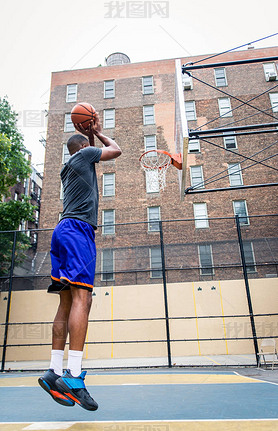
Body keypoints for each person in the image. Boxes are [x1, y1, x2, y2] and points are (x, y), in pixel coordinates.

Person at [38, 112, 121, 410]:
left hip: (60, 232)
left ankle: (54, 370)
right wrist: (98, 133)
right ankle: (74, 375)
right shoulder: (87, 155)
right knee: (83, 299)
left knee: (66, 302)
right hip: (78, 231)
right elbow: (116, 150)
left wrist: (86, 134)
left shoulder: (69, 166)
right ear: (84, 149)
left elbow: (88, 152)